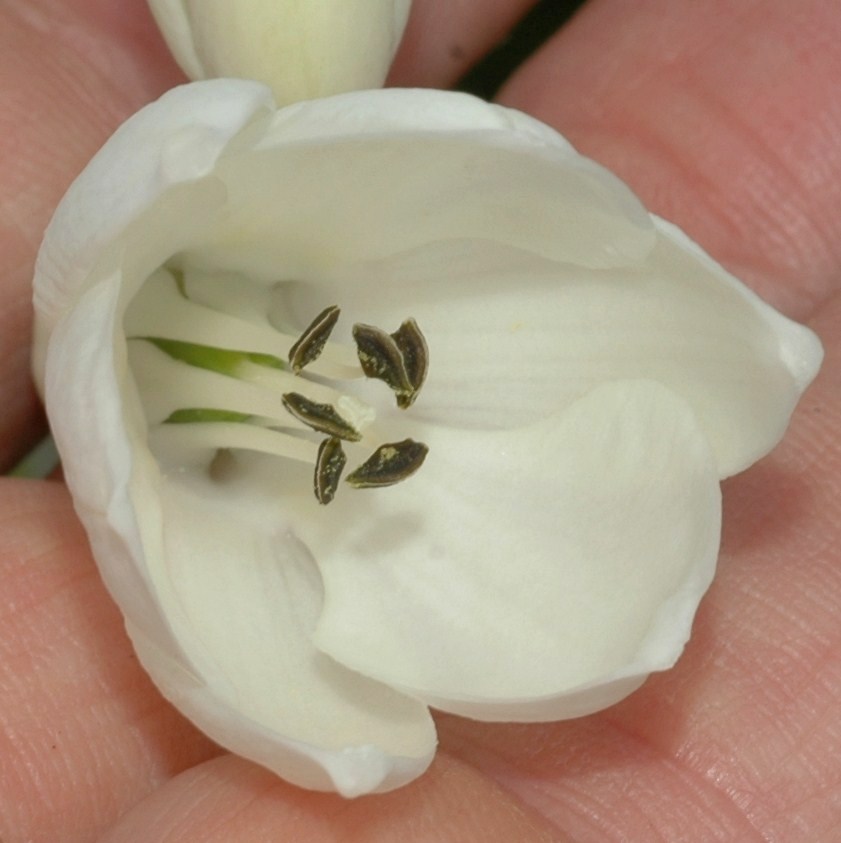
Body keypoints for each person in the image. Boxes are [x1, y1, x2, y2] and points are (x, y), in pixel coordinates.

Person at [0, 1, 838, 839]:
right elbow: (333, 740)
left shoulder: (217, 164)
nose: (346, 407)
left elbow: (730, 353)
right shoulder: (186, 169)